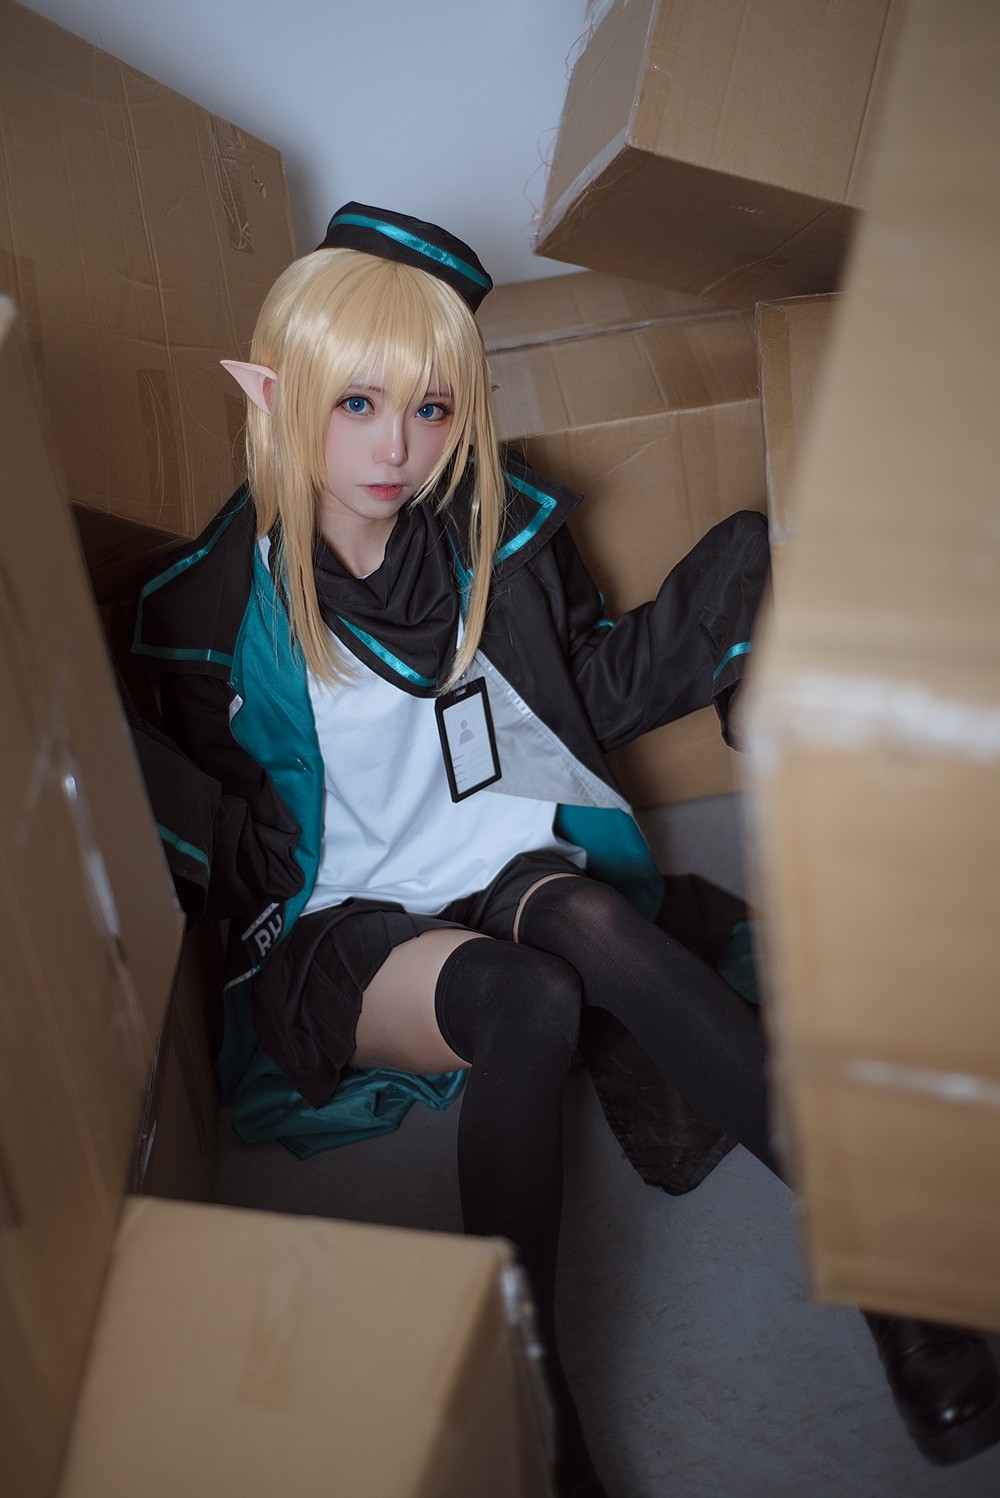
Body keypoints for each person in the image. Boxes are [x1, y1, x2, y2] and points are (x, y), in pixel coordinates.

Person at [131, 203, 1000, 1496]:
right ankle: (537, 1403)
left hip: (497, 854)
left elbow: (579, 693)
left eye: (430, 408)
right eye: (356, 403)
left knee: (593, 925)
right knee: (528, 999)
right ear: (272, 394)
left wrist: (744, 586)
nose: (396, 445)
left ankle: (896, 1286)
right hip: (345, 921)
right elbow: (188, 805)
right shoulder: (214, 607)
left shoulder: (499, 534)